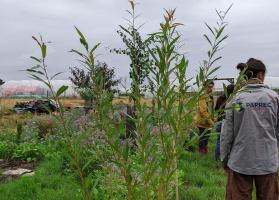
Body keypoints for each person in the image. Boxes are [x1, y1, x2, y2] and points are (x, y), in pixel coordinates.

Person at [221, 58, 279, 200]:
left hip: (240, 162)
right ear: (260, 75)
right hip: (267, 162)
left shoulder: (235, 100)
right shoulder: (274, 98)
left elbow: (226, 134)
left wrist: (224, 159)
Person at [214, 84, 235, 161]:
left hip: (219, 121)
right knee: (228, 142)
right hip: (227, 122)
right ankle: (226, 159)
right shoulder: (232, 100)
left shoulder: (220, 98)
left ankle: (216, 158)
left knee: (218, 141)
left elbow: (215, 109)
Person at [195, 80, 215, 154]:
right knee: (203, 137)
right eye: (209, 87)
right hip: (202, 122)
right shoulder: (202, 96)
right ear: (204, 87)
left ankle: (205, 151)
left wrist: (214, 118)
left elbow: (212, 109)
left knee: (207, 137)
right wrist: (211, 122)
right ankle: (201, 152)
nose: (210, 89)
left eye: (212, 87)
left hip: (208, 122)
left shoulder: (210, 96)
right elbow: (203, 111)